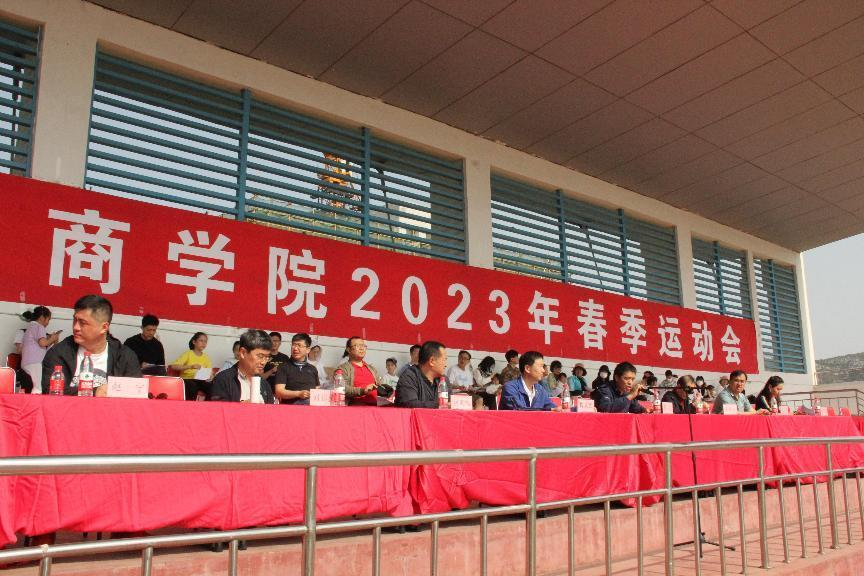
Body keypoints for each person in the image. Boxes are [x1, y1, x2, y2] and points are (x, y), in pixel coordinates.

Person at [40, 295, 141, 396]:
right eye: (75, 320)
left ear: (104, 327)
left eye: (82, 323)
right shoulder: (59, 353)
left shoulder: (125, 357)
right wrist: (95, 392)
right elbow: (51, 391)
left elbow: (136, 393)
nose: (75, 327)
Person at [209, 329, 275, 404]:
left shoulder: (264, 385)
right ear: (243, 353)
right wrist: (242, 406)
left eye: (267, 357)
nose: (264, 362)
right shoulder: (223, 379)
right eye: (260, 356)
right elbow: (217, 409)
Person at [395, 341, 447, 408]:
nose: (446, 365)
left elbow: (451, 403)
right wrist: (440, 405)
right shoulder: (409, 376)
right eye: (444, 360)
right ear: (431, 361)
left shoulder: (444, 380)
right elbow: (409, 404)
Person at [21, 306, 61, 394]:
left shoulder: (31, 327)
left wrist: (50, 339)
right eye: (48, 319)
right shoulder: (39, 326)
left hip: (27, 362)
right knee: (37, 388)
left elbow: (41, 345)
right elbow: (43, 343)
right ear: (42, 317)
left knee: (34, 386)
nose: (48, 323)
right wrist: (53, 338)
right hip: (35, 362)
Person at [273, 332, 320, 405]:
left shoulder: (312, 369)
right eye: (293, 345)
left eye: (299, 345)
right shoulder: (283, 367)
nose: (295, 348)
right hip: (291, 407)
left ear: (308, 350)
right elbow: (279, 391)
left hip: (311, 407)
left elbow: (317, 389)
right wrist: (298, 394)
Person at [337, 337, 382, 405]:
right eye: (357, 346)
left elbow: (379, 387)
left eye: (363, 346)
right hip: (358, 406)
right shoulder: (342, 368)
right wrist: (363, 391)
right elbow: (342, 388)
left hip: (378, 405)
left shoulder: (372, 369)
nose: (361, 348)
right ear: (348, 350)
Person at [171, 332, 212, 401]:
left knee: (213, 387)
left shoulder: (206, 357)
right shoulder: (188, 354)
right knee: (192, 386)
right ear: (194, 342)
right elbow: (174, 366)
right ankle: (190, 406)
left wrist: (210, 376)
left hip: (201, 381)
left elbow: (209, 372)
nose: (204, 343)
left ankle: (206, 406)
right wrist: (190, 366)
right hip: (187, 379)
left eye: (205, 341)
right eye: (201, 341)